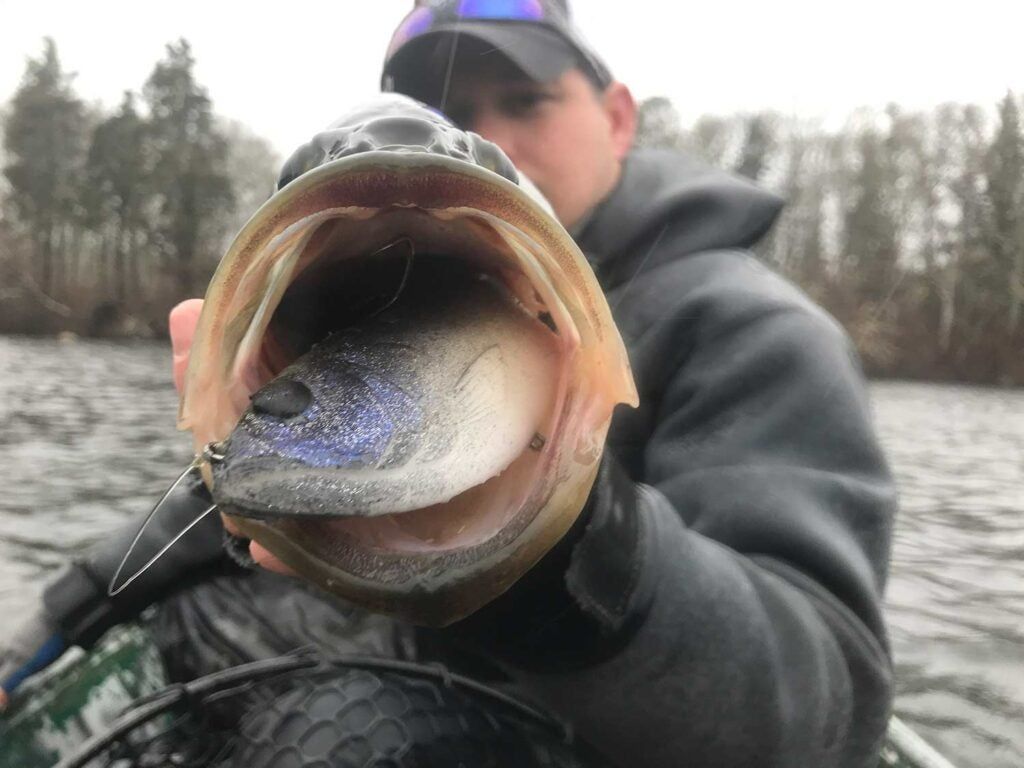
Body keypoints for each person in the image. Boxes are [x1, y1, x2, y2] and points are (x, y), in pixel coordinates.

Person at [1, 2, 897, 766]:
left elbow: (831, 709)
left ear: (619, 117)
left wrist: (563, 558)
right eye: (440, 107)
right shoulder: (370, 295)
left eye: (523, 101)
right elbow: (208, 505)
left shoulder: (751, 332)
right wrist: (44, 621)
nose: (481, 138)